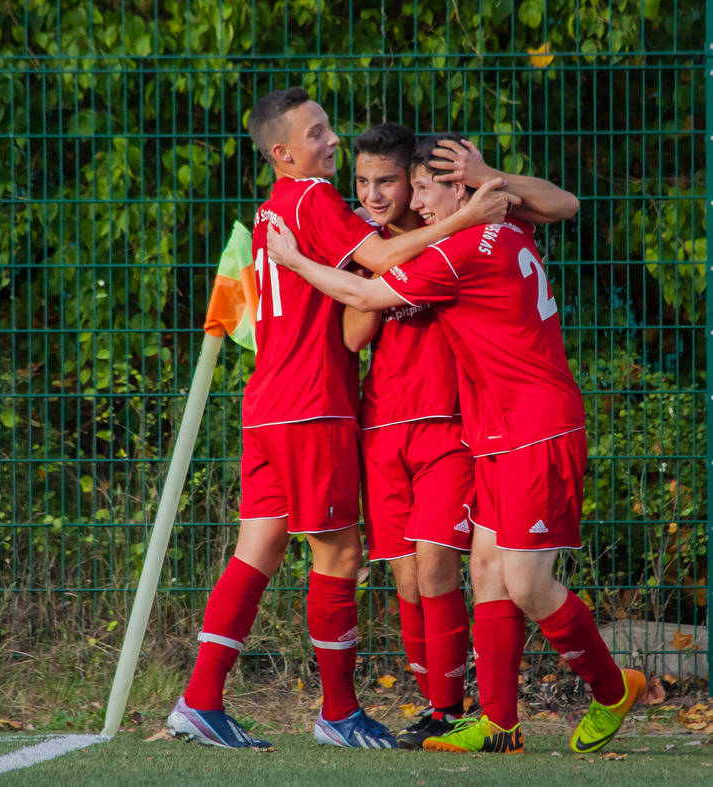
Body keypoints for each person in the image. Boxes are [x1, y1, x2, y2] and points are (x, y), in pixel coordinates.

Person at [264, 134, 645, 755]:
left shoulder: (460, 248)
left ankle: (611, 689)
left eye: (421, 188)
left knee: (523, 582)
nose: (413, 200)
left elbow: (363, 297)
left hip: (534, 425)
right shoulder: (491, 230)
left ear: (461, 188)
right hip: (496, 426)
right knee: (488, 571)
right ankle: (499, 723)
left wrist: (297, 260)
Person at [167, 90, 516, 750]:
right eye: (317, 131)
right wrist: (465, 215)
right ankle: (340, 711)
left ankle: (200, 699)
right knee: (342, 554)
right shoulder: (309, 200)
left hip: (266, 406)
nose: (331, 140)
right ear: (283, 153)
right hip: (312, 405)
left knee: (256, 553)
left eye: (329, 127)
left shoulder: (271, 207)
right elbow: (383, 261)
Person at [346, 125, 581, 748]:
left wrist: (481, 183)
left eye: (398, 183)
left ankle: (479, 707)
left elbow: (566, 204)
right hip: (413, 428)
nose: (381, 195)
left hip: (466, 425)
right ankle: (474, 714)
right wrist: (395, 248)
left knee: (454, 572)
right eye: (364, 183)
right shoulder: (401, 241)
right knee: (430, 576)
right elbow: (354, 332)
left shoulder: (475, 237)